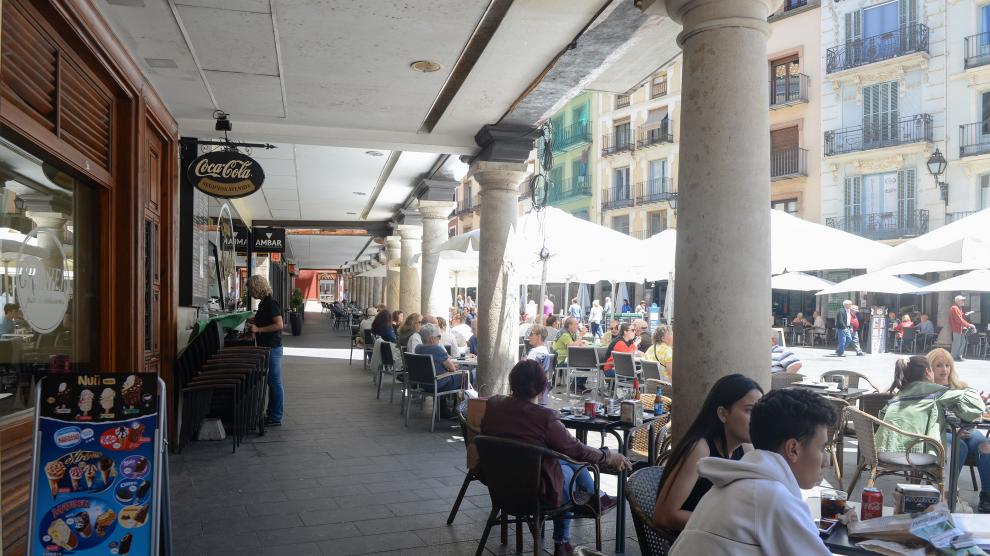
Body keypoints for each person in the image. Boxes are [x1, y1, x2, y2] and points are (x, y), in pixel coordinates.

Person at [481, 360, 630, 556]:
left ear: (512, 383)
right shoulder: (545, 418)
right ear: (543, 388)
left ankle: (597, 497)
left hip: (500, 488)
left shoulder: (493, 405)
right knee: (569, 467)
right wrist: (608, 455)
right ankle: (570, 530)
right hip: (537, 495)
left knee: (562, 461)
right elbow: (577, 450)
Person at [669, 388, 837, 555]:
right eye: (822, 448)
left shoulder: (733, 485)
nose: (826, 461)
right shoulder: (772, 497)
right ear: (793, 449)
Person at [654, 374, 762, 532]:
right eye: (750, 410)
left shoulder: (745, 449)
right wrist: (728, 524)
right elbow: (664, 516)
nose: (758, 419)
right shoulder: (700, 449)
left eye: (760, 411)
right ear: (723, 414)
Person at [878, 356, 984, 473]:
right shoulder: (935, 391)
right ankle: (947, 490)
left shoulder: (901, 393)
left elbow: (881, 415)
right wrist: (967, 389)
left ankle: (943, 489)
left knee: (953, 446)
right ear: (928, 372)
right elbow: (976, 408)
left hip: (882, 452)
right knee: (955, 448)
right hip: (913, 455)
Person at [929, 348, 990, 512]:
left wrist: (979, 400)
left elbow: (972, 411)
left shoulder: (961, 386)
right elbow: (929, 418)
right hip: (943, 432)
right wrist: (952, 430)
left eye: (947, 365)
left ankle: (987, 496)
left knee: (986, 447)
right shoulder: (927, 390)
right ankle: (949, 493)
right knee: (958, 446)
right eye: (939, 366)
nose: (944, 369)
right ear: (930, 369)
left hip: (968, 429)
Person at [247, 275, 285, 427]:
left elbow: (279, 324)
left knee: (274, 382)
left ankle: (276, 417)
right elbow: (264, 319)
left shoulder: (271, 302)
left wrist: (258, 329)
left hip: (272, 347)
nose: (249, 292)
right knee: (271, 382)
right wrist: (251, 320)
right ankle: (272, 414)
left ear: (257, 287)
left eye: (250, 289)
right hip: (268, 347)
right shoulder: (264, 303)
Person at [413, 323, 464, 392]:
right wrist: (453, 366)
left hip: (424, 385)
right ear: (431, 339)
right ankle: (467, 401)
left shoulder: (418, 348)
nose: (440, 339)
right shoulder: (437, 349)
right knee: (467, 374)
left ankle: (445, 401)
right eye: (439, 336)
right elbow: (452, 369)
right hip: (440, 385)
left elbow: (433, 366)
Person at [950, 295, 976, 362]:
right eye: (962, 300)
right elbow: (959, 319)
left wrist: (965, 314)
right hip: (956, 328)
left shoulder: (958, 308)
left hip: (961, 328)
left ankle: (959, 356)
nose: (963, 301)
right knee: (957, 343)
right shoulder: (954, 308)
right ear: (958, 301)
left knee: (962, 342)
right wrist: (969, 325)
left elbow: (961, 316)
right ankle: (953, 356)